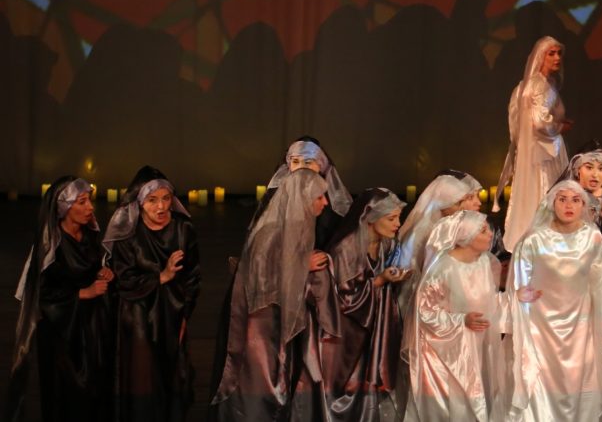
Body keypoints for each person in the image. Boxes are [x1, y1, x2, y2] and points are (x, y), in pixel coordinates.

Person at [211, 169, 337, 420]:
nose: (325, 203)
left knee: (280, 376)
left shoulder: (299, 225)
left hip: (278, 318)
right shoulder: (270, 230)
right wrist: (302, 265)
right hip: (259, 321)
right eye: (319, 197)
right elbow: (259, 276)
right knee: (260, 379)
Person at [406, 210, 535, 421]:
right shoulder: (442, 269)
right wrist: (461, 320)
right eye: (483, 231)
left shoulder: (484, 262)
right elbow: (424, 313)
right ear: (466, 236)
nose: (491, 234)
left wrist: (515, 298)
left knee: (479, 398)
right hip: (448, 352)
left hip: (477, 346)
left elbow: (489, 304)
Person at [6, 177, 115, 421]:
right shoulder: (51, 246)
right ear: (64, 207)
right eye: (82, 202)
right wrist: (83, 293)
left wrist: (103, 271)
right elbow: (41, 294)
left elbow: (92, 265)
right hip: (61, 334)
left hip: (90, 327)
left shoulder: (88, 236)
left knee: (94, 388)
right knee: (65, 392)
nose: (90, 207)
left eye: (89, 201)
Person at [509, 180, 602, 421]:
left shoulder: (592, 237)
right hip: (541, 327)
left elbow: (598, 284)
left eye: (575, 200)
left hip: (581, 324)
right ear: (552, 203)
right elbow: (520, 286)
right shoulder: (534, 239)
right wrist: (519, 305)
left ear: (584, 205)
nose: (569, 206)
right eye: (562, 199)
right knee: (542, 382)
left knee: (578, 379)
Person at [105, 166, 201, 421]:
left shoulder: (183, 229)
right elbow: (123, 281)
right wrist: (161, 276)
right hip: (137, 317)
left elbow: (193, 277)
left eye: (166, 198)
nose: (161, 207)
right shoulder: (129, 233)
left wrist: (184, 314)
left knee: (171, 375)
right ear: (139, 202)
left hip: (171, 313)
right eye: (152, 200)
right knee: (143, 379)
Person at [320, 188, 410, 421]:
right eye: (391, 218)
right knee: (344, 383)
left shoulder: (386, 244)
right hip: (345, 332)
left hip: (372, 326)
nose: (398, 224)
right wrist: (380, 281)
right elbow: (343, 298)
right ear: (370, 218)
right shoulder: (346, 248)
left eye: (398, 218)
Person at [493, 36, 572, 252]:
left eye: (559, 53)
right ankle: (544, 239)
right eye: (551, 53)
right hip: (544, 150)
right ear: (540, 57)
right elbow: (539, 121)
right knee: (544, 189)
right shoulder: (538, 85)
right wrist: (560, 126)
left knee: (538, 190)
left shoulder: (530, 85)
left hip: (539, 148)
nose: (557, 58)